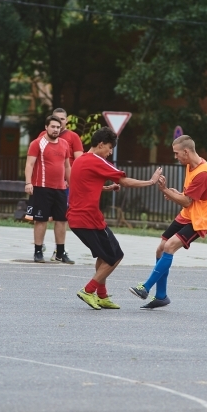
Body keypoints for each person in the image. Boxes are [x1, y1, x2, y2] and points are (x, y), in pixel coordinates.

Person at [69, 127, 162, 310]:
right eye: (109, 148)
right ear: (101, 144)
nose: (110, 152)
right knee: (115, 256)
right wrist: (150, 182)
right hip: (89, 219)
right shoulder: (97, 160)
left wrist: (105, 188)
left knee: (104, 256)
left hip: (78, 218)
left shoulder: (81, 160)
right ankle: (88, 291)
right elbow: (125, 181)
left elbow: (83, 184)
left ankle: (102, 296)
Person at [129, 135, 207, 309]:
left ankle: (145, 287)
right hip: (187, 215)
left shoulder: (204, 173)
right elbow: (188, 197)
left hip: (198, 220)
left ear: (186, 151)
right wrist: (174, 193)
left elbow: (187, 201)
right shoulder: (191, 165)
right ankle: (161, 296)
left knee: (169, 247)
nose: (175, 157)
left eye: (177, 154)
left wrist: (165, 191)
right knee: (161, 249)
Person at [25, 115, 73, 263]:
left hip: (60, 188)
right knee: (41, 220)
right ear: (46, 127)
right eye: (53, 127)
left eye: (58, 127)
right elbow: (29, 164)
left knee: (61, 220)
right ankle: (38, 251)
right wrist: (28, 183)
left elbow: (67, 166)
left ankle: (60, 252)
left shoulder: (64, 144)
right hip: (42, 187)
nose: (55, 130)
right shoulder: (37, 143)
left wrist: (71, 184)